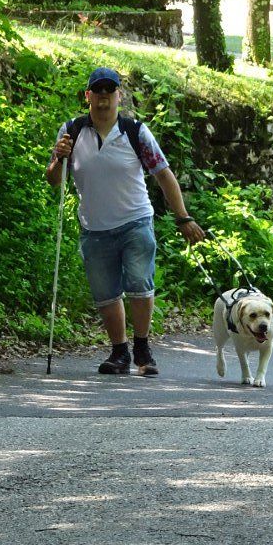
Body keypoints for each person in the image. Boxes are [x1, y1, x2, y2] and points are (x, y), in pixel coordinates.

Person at [46, 66, 205, 376]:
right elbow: (54, 180)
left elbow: (163, 174)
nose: (104, 97)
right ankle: (119, 352)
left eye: (110, 91)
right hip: (94, 226)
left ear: (119, 95)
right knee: (105, 293)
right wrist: (58, 157)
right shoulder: (71, 131)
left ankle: (142, 346)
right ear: (88, 96)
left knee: (139, 283)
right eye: (98, 91)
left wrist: (182, 216)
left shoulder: (135, 132)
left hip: (136, 220)